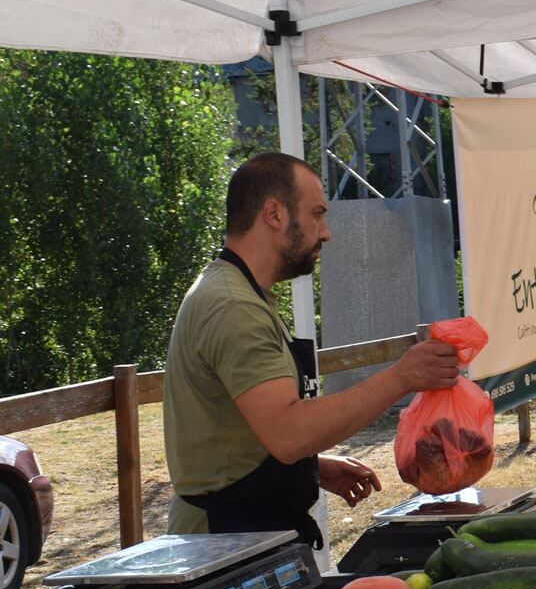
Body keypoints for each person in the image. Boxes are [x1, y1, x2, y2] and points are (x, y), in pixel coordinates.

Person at [164, 152, 459, 545]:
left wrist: (309, 469)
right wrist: (401, 377)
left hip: (246, 530)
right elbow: (288, 433)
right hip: (224, 543)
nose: (326, 232)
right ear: (274, 214)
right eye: (317, 213)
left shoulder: (240, 293)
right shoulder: (234, 306)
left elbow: (235, 435)